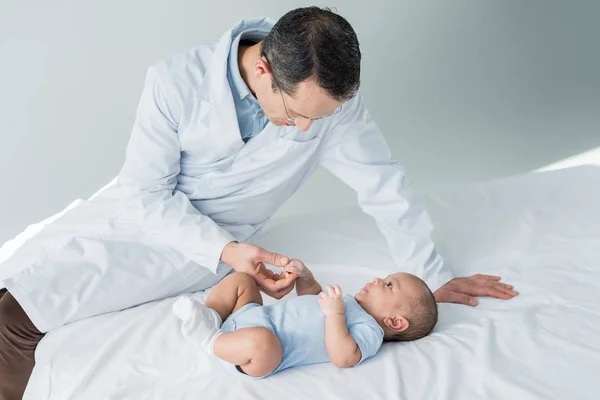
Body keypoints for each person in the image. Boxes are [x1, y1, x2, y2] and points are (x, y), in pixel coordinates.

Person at [0, 7, 517, 399]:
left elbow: (382, 184)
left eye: (322, 116)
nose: (310, 130)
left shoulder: (328, 107)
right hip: (147, 212)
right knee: (19, 286)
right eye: (297, 114)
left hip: (202, 246)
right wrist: (228, 251)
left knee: (16, 318)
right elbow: (144, 194)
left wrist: (428, 276)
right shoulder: (175, 81)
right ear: (265, 69)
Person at [173, 258, 438, 377]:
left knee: (262, 341)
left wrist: (335, 313)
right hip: (251, 317)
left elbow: (344, 356)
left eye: (390, 286)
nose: (380, 279)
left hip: (259, 354)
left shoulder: (371, 331)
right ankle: (212, 315)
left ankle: (210, 340)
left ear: (395, 322)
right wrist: (306, 278)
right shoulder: (347, 302)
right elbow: (311, 299)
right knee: (242, 281)